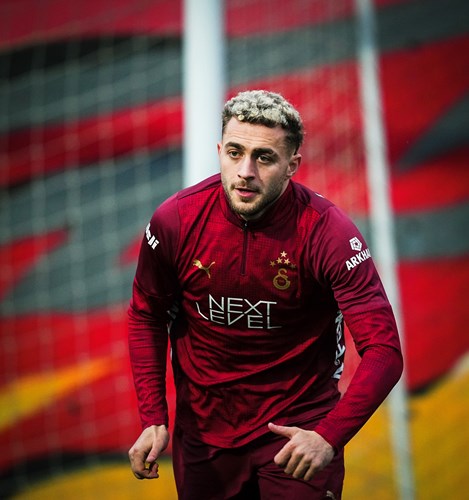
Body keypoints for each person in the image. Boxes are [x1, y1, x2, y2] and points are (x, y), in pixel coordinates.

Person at [127, 90, 403, 499]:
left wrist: (329, 436)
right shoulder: (175, 221)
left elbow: (384, 350)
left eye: (264, 158)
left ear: (292, 165)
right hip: (204, 438)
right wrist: (153, 416)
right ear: (219, 151)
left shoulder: (327, 232)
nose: (245, 172)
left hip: (298, 436)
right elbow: (146, 315)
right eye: (235, 153)